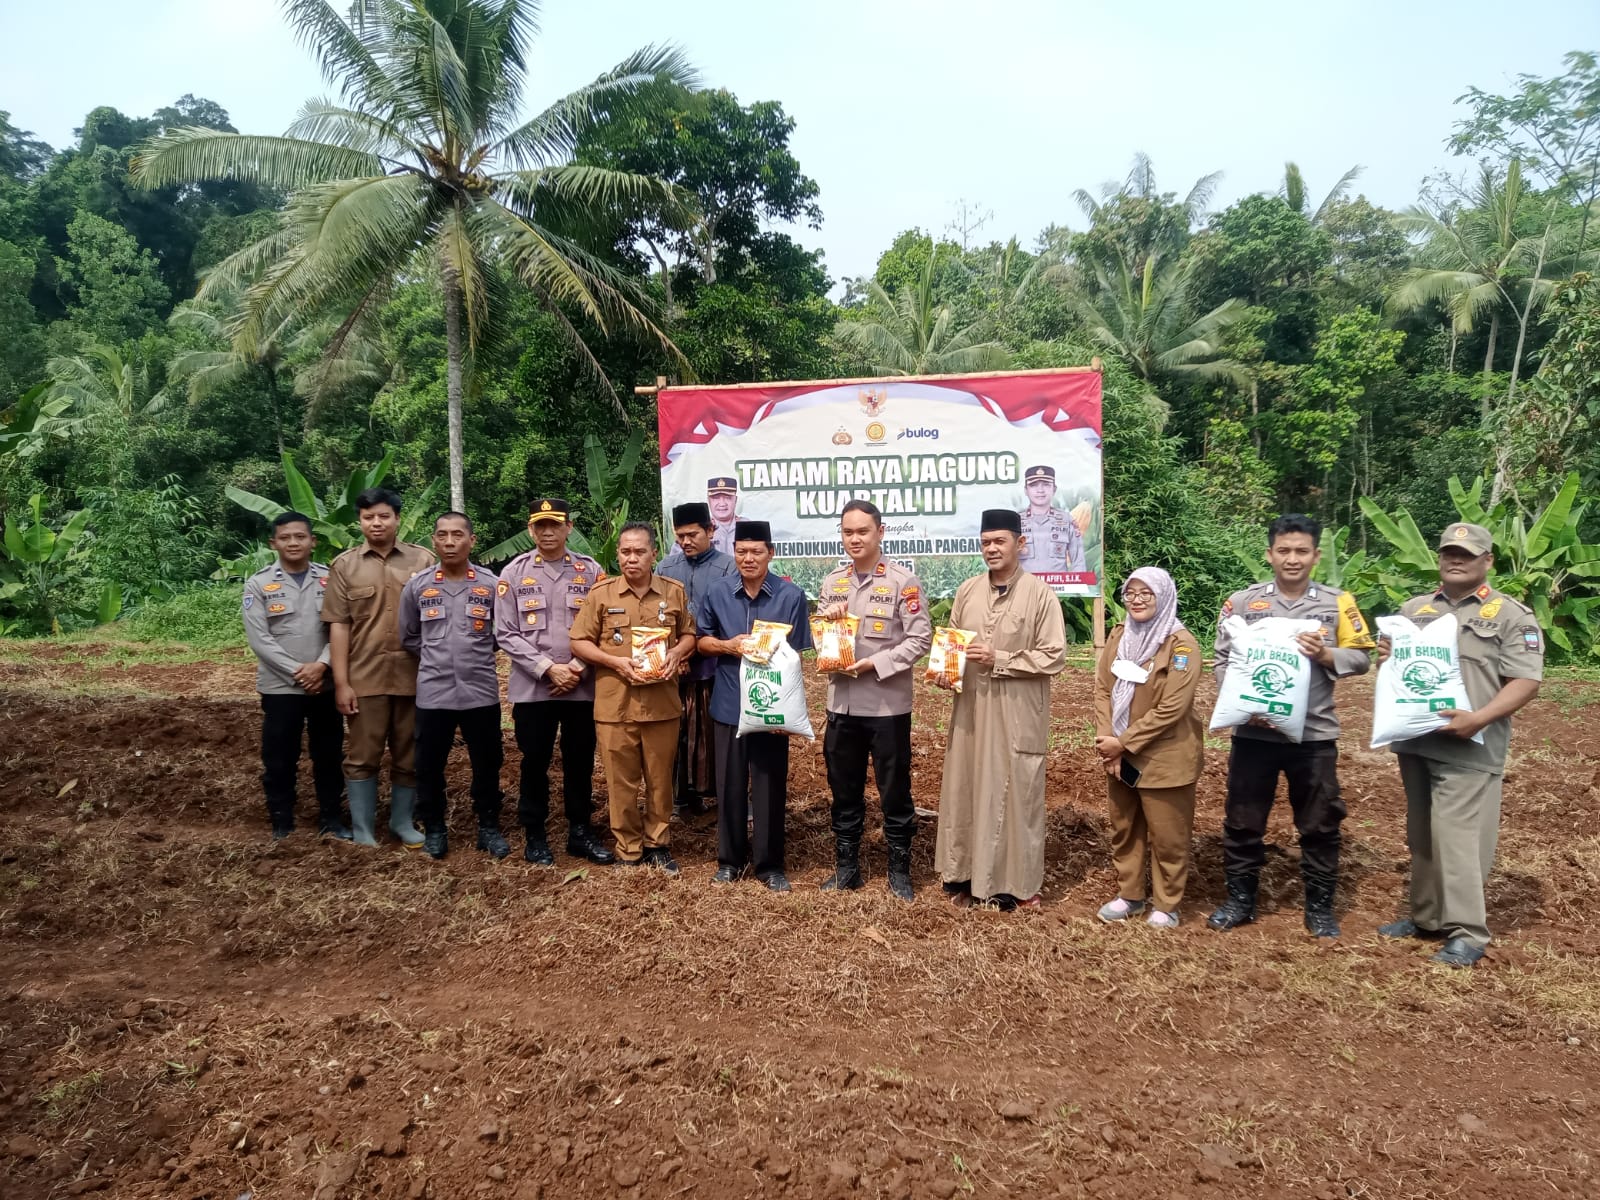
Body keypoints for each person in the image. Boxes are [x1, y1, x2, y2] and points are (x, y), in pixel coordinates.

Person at [1378, 523, 1543, 968]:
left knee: (1457, 838)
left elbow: (1526, 679)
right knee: (1422, 835)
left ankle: (1468, 932)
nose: (1456, 559)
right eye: (1449, 551)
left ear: (1487, 561)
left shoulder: (1510, 615)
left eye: (1467, 554)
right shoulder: (1414, 609)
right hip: (1417, 739)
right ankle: (1426, 916)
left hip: (1471, 745)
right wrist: (1389, 656)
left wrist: (1480, 718)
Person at [1208, 513, 1374, 938]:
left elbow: (1361, 657)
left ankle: (1319, 908)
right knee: (1243, 820)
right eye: (1284, 550)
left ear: (1316, 555)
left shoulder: (1338, 602)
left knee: (1319, 822)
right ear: (1270, 554)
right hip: (1254, 733)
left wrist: (1325, 655)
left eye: (1302, 551)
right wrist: (1244, 704)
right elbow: (1223, 659)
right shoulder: (1244, 602)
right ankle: (1240, 901)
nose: (1292, 559)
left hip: (1314, 736)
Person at [932, 511, 1067, 911]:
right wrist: (945, 670)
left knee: (1014, 794)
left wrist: (1000, 657)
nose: (991, 548)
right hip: (972, 708)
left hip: (1016, 711)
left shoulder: (1040, 595)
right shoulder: (968, 590)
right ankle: (964, 874)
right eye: (986, 541)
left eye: (1000, 541)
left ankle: (1014, 884)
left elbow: (1055, 655)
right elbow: (953, 642)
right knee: (966, 786)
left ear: (1020, 544)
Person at [816, 500, 933, 899]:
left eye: (862, 531)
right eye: (847, 532)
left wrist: (873, 664)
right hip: (842, 705)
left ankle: (899, 869)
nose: (854, 539)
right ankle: (847, 867)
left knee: (894, 790)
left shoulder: (904, 581)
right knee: (843, 789)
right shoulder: (833, 582)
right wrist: (827, 623)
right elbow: (821, 639)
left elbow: (920, 639)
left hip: (886, 706)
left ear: (880, 532)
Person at [569, 523, 697, 873]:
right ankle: (628, 848)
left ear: (654, 554)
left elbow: (689, 634)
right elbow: (579, 641)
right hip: (616, 706)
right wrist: (613, 662)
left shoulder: (673, 592)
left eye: (639, 551)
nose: (631, 558)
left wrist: (677, 654)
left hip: (661, 705)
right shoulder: (602, 594)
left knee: (659, 781)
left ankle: (658, 844)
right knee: (620, 784)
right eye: (625, 552)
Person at [494, 498, 614, 867]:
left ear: (568, 528)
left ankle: (579, 830)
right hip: (534, 689)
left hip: (580, 686)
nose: (548, 532)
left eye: (554, 525)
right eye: (540, 525)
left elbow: (605, 626)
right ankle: (536, 833)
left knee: (579, 761)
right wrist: (549, 668)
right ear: (531, 529)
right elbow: (506, 632)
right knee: (534, 761)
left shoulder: (591, 572)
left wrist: (576, 667)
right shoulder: (513, 574)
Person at [695, 520, 812, 892]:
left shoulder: (790, 596)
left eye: (756, 551)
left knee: (769, 785)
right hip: (730, 703)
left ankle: (769, 864)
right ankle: (729, 861)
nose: (748, 558)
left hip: (772, 708)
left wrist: (789, 711)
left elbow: (797, 658)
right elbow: (701, 642)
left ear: (770, 553)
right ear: (735, 553)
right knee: (728, 786)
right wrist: (728, 645)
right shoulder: (717, 592)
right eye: (742, 551)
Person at [323, 487, 435, 847]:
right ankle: (363, 829)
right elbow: (339, 625)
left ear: (398, 519)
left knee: (409, 754)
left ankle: (402, 823)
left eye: (384, 516)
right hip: (365, 677)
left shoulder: (423, 561)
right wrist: (341, 683)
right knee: (362, 756)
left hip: (415, 677)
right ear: (359, 522)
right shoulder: (344, 566)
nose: (376, 523)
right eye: (368, 517)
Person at [1092, 568, 1203, 927]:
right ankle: (1131, 895)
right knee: (1124, 827)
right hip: (1117, 755)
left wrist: (1123, 742)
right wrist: (1107, 737)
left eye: (1146, 593)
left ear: (1164, 596)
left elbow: (1172, 708)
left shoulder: (1181, 644)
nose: (1137, 599)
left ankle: (1167, 903)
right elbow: (1102, 687)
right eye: (1130, 593)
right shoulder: (1120, 636)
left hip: (1164, 756)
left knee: (1169, 835)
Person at [398, 512, 505, 861]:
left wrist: (472, 654)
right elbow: (410, 636)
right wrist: (439, 657)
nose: (449, 541)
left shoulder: (490, 585)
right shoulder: (418, 586)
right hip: (434, 692)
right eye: (442, 535)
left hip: (480, 691)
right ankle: (435, 827)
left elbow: (500, 635)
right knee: (429, 764)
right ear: (433, 540)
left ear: (471, 541)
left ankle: (488, 826)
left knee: (487, 763)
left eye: (457, 534)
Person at [242, 511, 351, 841]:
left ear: (312, 541)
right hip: (280, 688)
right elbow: (260, 639)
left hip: (326, 684)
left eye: (300, 537)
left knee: (329, 755)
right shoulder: (258, 584)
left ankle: (331, 817)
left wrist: (321, 666)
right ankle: (282, 820)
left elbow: (343, 627)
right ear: (273, 543)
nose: (293, 543)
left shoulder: (329, 579)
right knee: (279, 756)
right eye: (285, 537)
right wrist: (299, 673)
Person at [657, 501, 736, 820]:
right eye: (680, 536)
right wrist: (676, 651)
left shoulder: (728, 566)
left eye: (692, 534)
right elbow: (659, 615)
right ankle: (681, 798)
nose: (686, 542)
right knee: (677, 732)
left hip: (714, 666)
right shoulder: (665, 568)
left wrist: (695, 648)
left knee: (714, 732)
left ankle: (718, 795)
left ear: (711, 530)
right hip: (674, 666)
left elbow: (727, 615)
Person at [1017, 465, 1086, 574]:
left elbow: (1078, 561)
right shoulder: (1015, 521)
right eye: (1033, 485)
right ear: (1026, 490)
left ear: (1054, 489)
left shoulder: (1066, 520)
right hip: (1025, 587)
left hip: (1058, 588)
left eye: (1046, 485)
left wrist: (1079, 587)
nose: (1040, 490)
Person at [707, 476, 740, 556]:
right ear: (708, 500)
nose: (722, 504)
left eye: (728, 498)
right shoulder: (701, 529)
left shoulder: (747, 526)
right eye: (716, 498)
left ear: (735, 500)